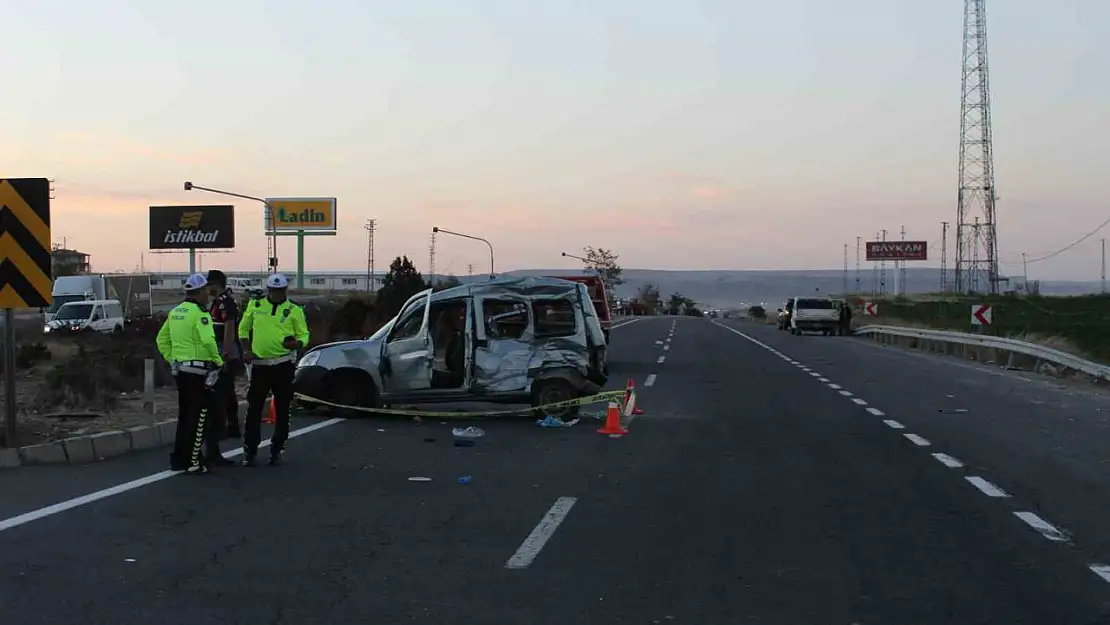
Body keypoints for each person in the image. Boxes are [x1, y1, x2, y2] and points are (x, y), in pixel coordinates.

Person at [238, 273, 310, 466]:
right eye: (273, 291)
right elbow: (243, 329)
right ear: (268, 290)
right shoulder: (256, 305)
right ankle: (250, 451)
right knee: (254, 408)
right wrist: (246, 349)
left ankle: (277, 449)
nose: (277, 294)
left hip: (283, 365)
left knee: (283, 408)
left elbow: (304, 335)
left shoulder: (294, 310)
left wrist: (297, 343)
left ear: (285, 290)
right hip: (260, 366)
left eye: (280, 291)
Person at [156, 273, 224, 474]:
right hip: (199, 372)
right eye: (206, 291)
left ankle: (179, 459)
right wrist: (219, 362)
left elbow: (161, 340)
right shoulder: (200, 314)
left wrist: (173, 359)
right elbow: (208, 341)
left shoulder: (176, 312)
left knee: (185, 416)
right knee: (203, 416)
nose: (208, 295)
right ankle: (193, 461)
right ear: (201, 292)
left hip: (182, 372)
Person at [206, 270, 243, 444]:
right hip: (218, 349)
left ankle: (228, 426)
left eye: (210, 284)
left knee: (223, 390)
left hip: (227, 351)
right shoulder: (214, 303)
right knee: (226, 391)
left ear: (217, 284)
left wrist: (225, 353)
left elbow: (229, 327)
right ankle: (231, 426)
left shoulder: (226, 302)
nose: (208, 288)